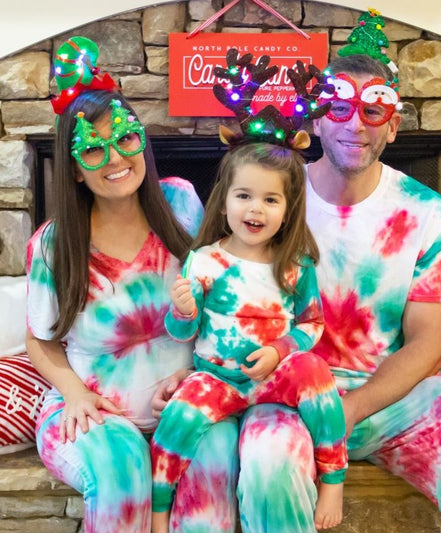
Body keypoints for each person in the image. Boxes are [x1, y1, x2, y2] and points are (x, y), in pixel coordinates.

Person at [154, 52, 441, 533]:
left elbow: (429, 342)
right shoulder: (272, 197)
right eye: (339, 106)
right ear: (318, 121)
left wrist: (351, 409)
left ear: (392, 126)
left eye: (373, 110)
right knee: (268, 464)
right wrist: (186, 373)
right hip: (283, 393)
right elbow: (220, 298)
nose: (356, 123)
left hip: (388, 395)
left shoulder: (425, 212)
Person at [25, 36, 239, 533]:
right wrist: (74, 393)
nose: (115, 157)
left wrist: (199, 375)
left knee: (218, 459)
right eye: (93, 150)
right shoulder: (55, 244)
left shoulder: (183, 204)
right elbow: (40, 338)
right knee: (123, 475)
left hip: (184, 402)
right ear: (75, 170)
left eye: (124, 138)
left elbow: (218, 302)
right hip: (93, 412)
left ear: (141, 138)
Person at [150, 141, 348, 533]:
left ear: (288, 210)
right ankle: (159, 512)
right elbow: (181, 332)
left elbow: (311, 324)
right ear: (224, 203)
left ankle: (332, 481)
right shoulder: (205, 260)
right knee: (175, 421)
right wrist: (184, 311)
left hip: (272, 380)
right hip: (216, 379)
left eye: (271, 199)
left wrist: (280, 351)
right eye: (244, 196)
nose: (256, 208)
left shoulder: (295, 263)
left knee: (315, 371)